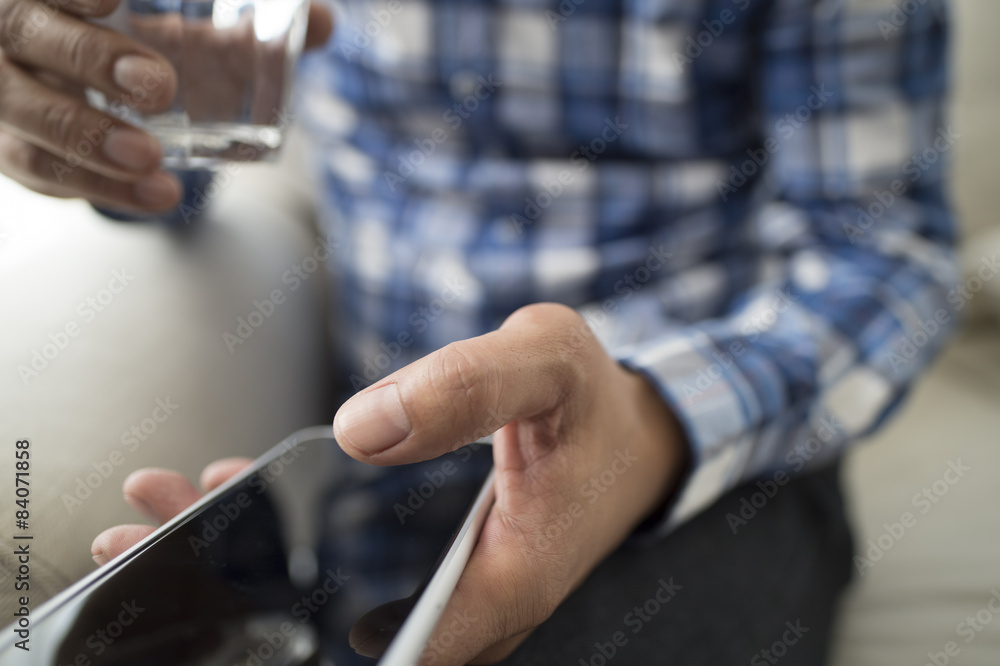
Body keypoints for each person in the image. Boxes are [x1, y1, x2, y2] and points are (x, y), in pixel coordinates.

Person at [0, 0, 958, 662]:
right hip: (387, 477)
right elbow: (177, 156)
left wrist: (653, 425)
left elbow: (886, 253)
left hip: (716, 463)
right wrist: (93, 124)